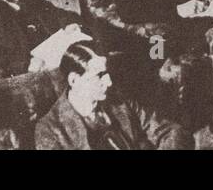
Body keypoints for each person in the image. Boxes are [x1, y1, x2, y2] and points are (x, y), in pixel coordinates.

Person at [34, 41, 191, 149]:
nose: (108, 82)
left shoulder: (118, 99)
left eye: (107, 73)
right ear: (74, 80)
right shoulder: (49, 130)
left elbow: (170, 131)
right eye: (99, 75)